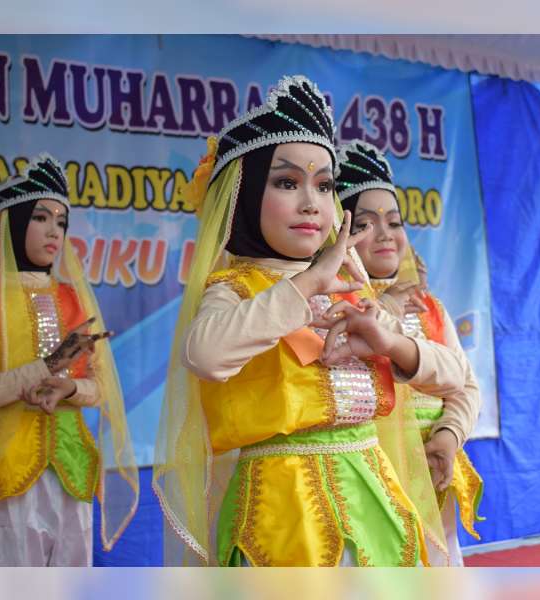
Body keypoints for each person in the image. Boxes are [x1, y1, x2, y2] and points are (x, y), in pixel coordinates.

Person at [152, 75, 471, 567]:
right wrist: (307, 284)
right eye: (286, 182)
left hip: (377, 500)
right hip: (281, 514)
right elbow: (204, 354)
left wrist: (388, 341)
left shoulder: (354, 290)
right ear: (243, 198)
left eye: (324, 185)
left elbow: (456, 375)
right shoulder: (235, 289)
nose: (311, 202)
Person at [0, 153, 138, 566]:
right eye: (41, 218)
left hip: (71, 465)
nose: (54, 232)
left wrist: (70, 387)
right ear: (12, 223)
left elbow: (100, 386)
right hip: (8, 470)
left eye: (62, 222)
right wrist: (47, 365)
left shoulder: (73, 298)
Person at [335, 140, 484, 565]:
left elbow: (464, 383)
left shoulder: (430, 305)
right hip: (370, 486)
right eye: (364, 224)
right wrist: (388, 312)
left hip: (435, 477)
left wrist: (448, 435)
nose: (385, 234)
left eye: (394, 221)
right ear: (339, 234)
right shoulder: (338, 306)